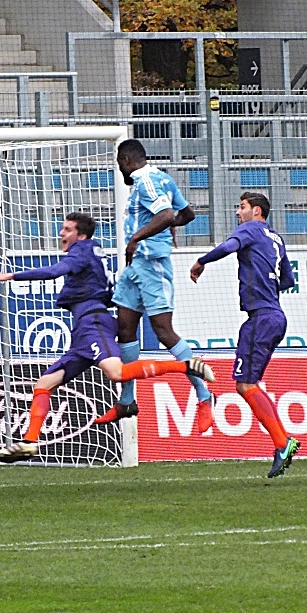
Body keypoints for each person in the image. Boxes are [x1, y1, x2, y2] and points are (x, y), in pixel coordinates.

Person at [0, 212, 214, 463]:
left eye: (67, 230)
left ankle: (186, 366)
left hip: (94, 324)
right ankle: (29, 443)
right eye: (62, 228)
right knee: (44, 385)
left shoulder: (81, 250)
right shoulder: (93, 251)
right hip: (83, 331)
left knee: (116, 373)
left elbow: (56, 270)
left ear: (81, 235)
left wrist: (12, 276)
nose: (61, 234)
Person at [95, 139, 215, 433]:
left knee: (163, 330)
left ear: (125, 161)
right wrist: (169, 224)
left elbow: (164, 215)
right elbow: (186, 214)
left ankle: (204, 395)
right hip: (137, 267)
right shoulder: (162, 177)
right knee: (125, 326)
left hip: (152, 263)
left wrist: (137, 238)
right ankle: (126, 400)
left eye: (119, 165)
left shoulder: (143, 179)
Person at [190, 191, 299, 478]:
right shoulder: (277, 238)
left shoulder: (250, 229)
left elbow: (229, 246)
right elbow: (288, 279)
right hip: (275, 315)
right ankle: (283, 441)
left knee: (245, 385)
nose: (238, 213)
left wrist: (202, 260)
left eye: (242, 208)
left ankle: (282, 442)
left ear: (257, 211)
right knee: (252, 384)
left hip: (261, 317)